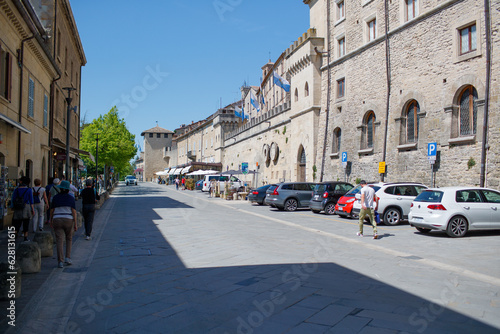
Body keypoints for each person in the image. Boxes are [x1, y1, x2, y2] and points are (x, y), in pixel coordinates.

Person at [50, 180, 77, 268]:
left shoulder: (56, 197)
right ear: (68, 189)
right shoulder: (71, 198)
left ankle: (60, 261)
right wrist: (75, 223)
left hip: (57, 219)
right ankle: (68, 258)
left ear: (61, 189)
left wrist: (51, 220)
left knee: (59, 240)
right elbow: (74, 211)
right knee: (69, 238)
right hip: (68, 219)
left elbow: (52, 210)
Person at [11, 176, 34, 241]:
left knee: (16, 221)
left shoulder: (16, 189)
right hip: (26, 206)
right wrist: (32, 209)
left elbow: (13, 198)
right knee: (26, 221)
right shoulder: (29, 190)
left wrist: (12, 206)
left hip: (17, 206)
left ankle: (15, 233)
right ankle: (25, 236)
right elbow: (31, 200)